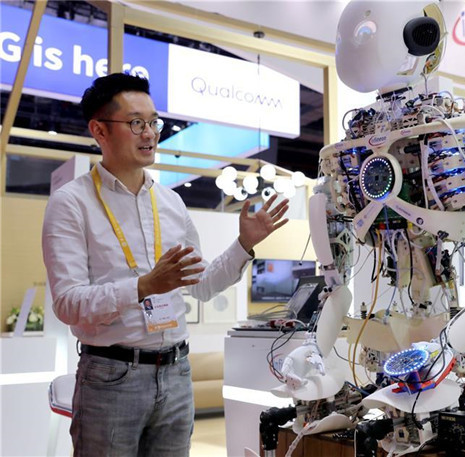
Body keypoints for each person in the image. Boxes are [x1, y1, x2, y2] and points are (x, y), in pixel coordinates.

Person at [41, 72, 289, 456]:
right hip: (110, 377)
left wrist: (244, 244)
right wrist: (143, 287)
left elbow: (202, 285)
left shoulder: (171, 203)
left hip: (176, 374)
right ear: (99, 130)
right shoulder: (71, 202)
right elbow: (68, 303)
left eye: (153, 122)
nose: (149, 134)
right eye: (135, 123)